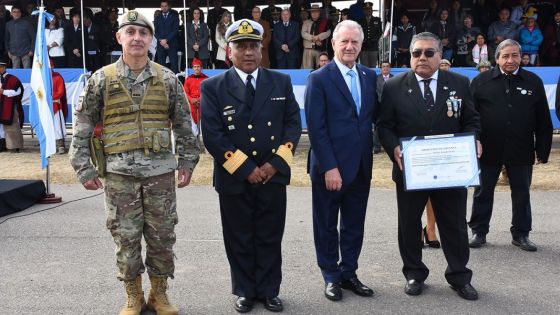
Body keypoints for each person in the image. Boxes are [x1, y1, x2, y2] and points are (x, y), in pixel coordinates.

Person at [68, 11, 200, 315]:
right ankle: (133, 295)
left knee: (162, 235)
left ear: (151, 39)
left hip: (160, 175)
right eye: (130, 32)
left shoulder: (167, 78)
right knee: (125, 237)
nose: (137, 37)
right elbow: (84, 123)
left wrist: (188, 161)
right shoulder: (101, 79)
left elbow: (183, 124)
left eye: (143, 32)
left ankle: (159, 294)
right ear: (119, 37)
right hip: (118, 176)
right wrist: (83, 166)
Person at [200, 19, 302, 313]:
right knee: (239, 236)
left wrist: (274, 164)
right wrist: (247, 169)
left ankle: (269, 290)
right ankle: (245, 290)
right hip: (235, 178)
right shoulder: (213, 87)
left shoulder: (280, 81)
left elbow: (293, 125)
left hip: (272, 176)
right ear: (229, 51)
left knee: (270, 235)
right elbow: (213, 135)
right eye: (241, 46)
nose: (248, 52)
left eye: (253, 46)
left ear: (261, 50)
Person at [377, 32, 481, 300]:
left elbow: (470, 120)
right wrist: (394, 148)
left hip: (450, 170)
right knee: (409, 224)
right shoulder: (394, 86)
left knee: (454, 224)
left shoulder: (459, 82)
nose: (422, 57)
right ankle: (414, 273)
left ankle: (459, 275)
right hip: (411, 170)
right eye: (416, 53)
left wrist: (475, 140)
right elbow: (385, 126)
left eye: (428, 53)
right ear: (410, 56)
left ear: (440, 55)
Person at [305, 20, 377, 302]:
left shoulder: (370, 76)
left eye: (355, 42)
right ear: (333, 43)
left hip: (360, 167)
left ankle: (349, 272)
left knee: (353, 225)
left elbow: (373, 119)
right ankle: (330, 276)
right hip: (329, 169)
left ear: (361, 46)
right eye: (344, 41)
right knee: (326, 225)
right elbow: (316, 128)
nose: (349, 47)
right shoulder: (319, 78)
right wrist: (330, 167)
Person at [468, 39, 552, 252]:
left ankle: (521, 234)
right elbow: (470, 117)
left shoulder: (533, 81)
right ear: (496, 58)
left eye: (515, 55)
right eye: (505, 56)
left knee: (522, 192)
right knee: (483, 191)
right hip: (487, 148)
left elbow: (543, 118)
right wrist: (473, 142)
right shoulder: (480, 82)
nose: (510, 60)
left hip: (521, 147)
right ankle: (479, 231)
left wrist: (543, 149)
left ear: (521, 57)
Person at [0, 59, 24, 153]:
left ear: (4, 68)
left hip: (9, 106)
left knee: (13, 126)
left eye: (0, 67)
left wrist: (4, 92)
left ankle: (15, 146)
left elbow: (18, 91)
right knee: (0, 127)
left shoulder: (12, 78)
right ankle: (2, 145)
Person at [301, 4, 332, 69]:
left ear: (319, 13)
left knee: (322, 68)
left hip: (320, 49)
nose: (314, 14)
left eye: (316, 12)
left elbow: (328, 33)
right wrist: (314, 39)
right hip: (308, 49)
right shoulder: (306, 22)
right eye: (312, 12)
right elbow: (303, 33)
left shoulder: (325, 22)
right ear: (310, 13)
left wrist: (318, 37)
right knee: (307, 69)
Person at [183, 58, 208, 132]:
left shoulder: (207, 79)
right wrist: (191, 100)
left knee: (204, 129)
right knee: (192, 129)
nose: (196, 68)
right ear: (193, 68)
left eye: (198, 66)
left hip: (203, 105)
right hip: (191, 106)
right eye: (195, 67)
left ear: (201, 68)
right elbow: (185, 92)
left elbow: (208, 93)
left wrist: (199, 99)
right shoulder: (188, 79)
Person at [155, 0, 180, 73]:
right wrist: (161, 41)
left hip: (172, 45)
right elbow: (156, 32)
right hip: (160, 45)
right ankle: (162, 83)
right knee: (161, 67)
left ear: (168, 6)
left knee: (174, 66)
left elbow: (175, 31)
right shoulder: (157, 18)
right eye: (162, 6)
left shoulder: (174, 17)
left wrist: (166, 40)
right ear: (160, 7)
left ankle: (175, 82)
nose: (164, 8)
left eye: (165, 6)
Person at [51, 60, 68, 154]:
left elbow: (60, 92)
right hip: (46, 106)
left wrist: (49, 96)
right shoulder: (41, 79)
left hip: (55, 105)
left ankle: (60, 145)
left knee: (58, 125)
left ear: (52, 67)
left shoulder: (57, 77)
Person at [359, 2, 382, 68]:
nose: (368, 11)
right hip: (364, 47)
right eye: (366, 9)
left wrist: (372, 40)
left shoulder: (377, 20)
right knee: (364, 66)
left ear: (372, 10)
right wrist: (365, 40)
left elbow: (379, 32)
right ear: (363, 11)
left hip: (373, 46)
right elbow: (359, 32)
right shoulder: (360, 21)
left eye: (369, 9)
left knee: (373, 66)